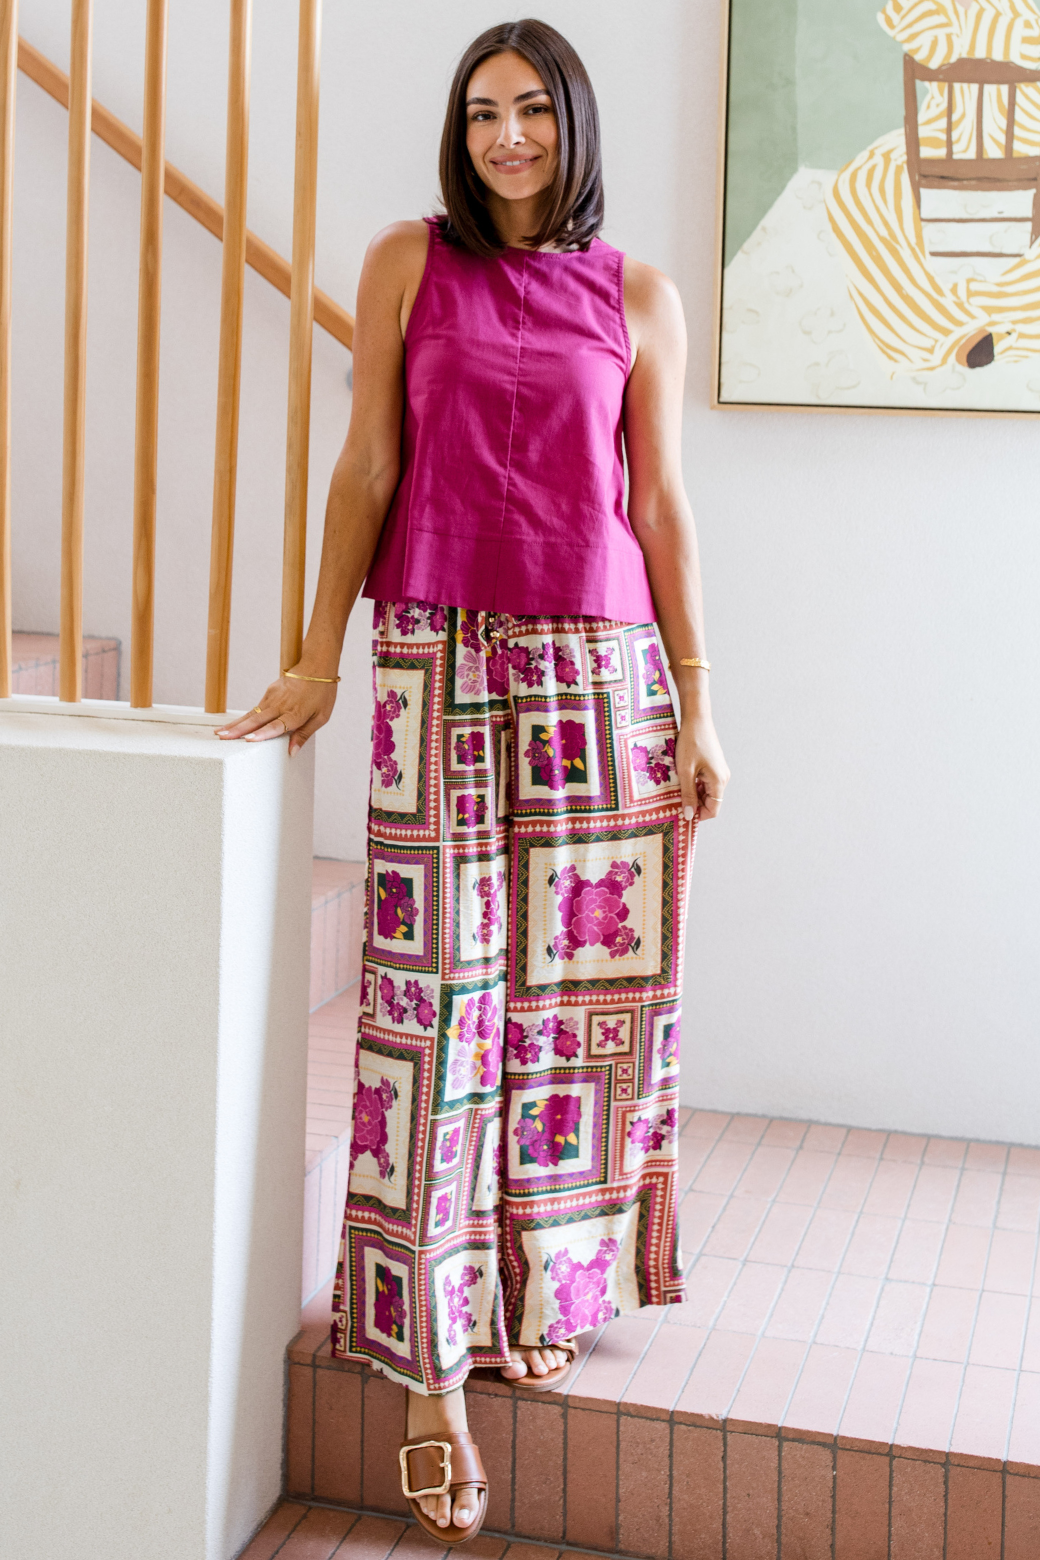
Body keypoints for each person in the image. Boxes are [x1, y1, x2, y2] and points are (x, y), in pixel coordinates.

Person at [217, 18, 728, 1545]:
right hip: (435, 657)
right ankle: (428, 1366)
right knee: (433, 1001)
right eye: (483, 112)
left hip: (597, 669)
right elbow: (366, 468)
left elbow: (661, 505)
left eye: (533, 111)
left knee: (574, 1004)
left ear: (574, 123)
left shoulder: (640, 294)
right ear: (461, 130)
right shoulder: (405, 264)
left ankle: (547, 1282)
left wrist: (701, 705)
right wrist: (316, 655)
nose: (508, 136)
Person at [828, 0, 1040, 374]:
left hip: (1027, 138)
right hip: (945, 134)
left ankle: (986, 308)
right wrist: (995, 32)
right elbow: (935, 47)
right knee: (856, 184)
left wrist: (964, 26)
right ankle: (945, 329)